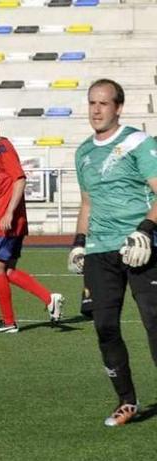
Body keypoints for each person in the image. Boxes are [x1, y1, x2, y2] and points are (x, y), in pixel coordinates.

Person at [68, 79, 157, 426]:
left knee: (155, 325)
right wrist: (79, 242)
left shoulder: (138, 142)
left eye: (103, 104)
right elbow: (87, 203)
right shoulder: (83, 153)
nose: (96, 110)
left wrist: (145, 231)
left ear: (118, 107)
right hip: (100, 251)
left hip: (141, 247)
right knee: (105, 327)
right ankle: (127, 402)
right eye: (92, 103)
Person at [0, 106, 64, 334]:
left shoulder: (4, 149)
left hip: (5, 221)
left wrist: (9, 213)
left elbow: (19, 180)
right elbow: (3, 184)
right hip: (1, 215)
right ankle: (48, 298)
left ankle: (9, 322)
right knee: (7, 270)